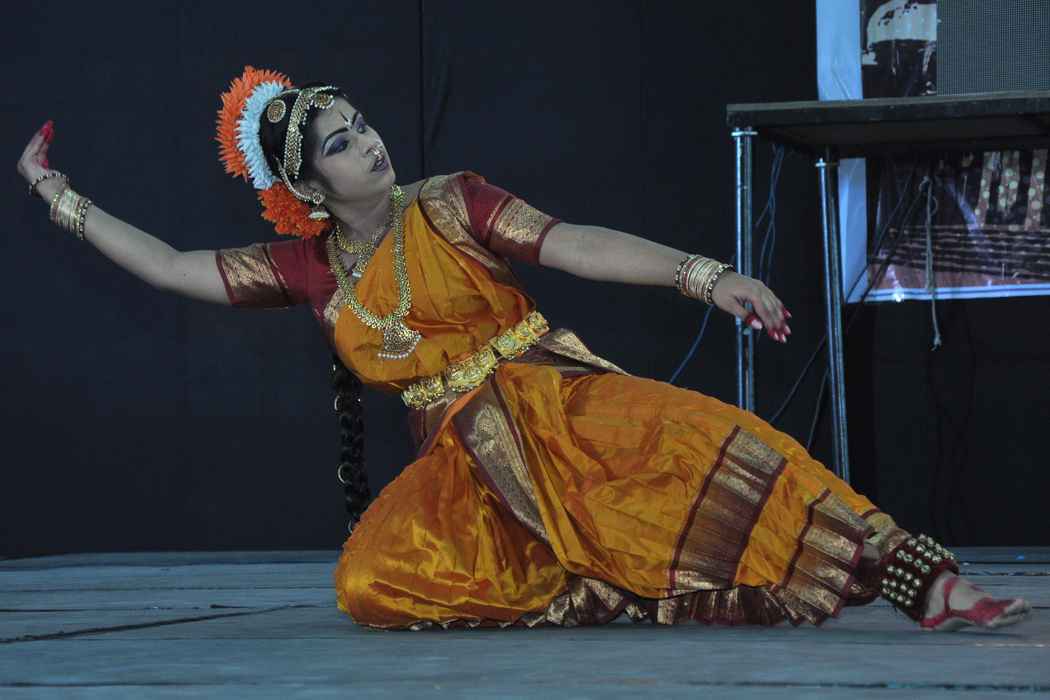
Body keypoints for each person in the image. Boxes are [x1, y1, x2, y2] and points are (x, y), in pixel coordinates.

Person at [17, 65, 1031, 633]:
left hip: (558, 402)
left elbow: (575, 243)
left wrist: (703, 275)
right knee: (369, 583)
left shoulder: (451, 202)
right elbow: (171, 265)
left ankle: (917, 576)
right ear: (309, 187)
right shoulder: (309, 270)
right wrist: (59, 197)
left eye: (361, 123)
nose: (369, 141)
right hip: (461, 463)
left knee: (708, 441)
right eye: (340, 143)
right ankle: (597, 581)